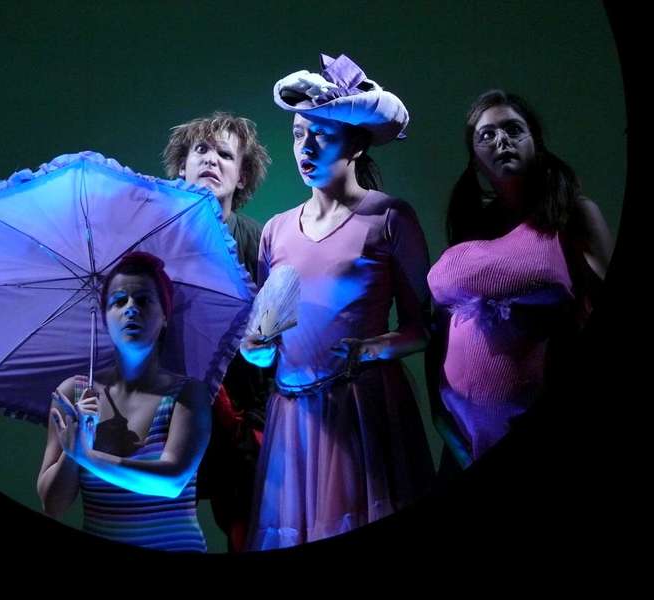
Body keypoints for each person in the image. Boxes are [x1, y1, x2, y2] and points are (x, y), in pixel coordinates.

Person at [241, 54, 435, 550]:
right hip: (295, 420)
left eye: (321, 135)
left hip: (361, 409)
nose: (305, 147)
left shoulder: (388, 217)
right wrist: (256, 349)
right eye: (298, 134)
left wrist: (372, 349)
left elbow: (425, 326)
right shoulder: (276, 230)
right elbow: (267, 337)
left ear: (355, 144)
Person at [426, 89, 614, 474]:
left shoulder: (572, 214)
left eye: (513, 129)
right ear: (475, 160)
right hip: (462, 437)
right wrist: (439, 414)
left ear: (536, 143)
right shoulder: (473, 226)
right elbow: (443, 323)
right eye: (487, 134)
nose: (502, 140)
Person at [37, 251, 212, 552]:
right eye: (118, 301)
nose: (131, 309)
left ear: (165, 316)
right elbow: (52, 505)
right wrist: (73, 449)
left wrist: (87, 457)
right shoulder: (73, 394)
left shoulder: (188, 394)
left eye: (143, 300)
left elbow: (172, 482)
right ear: (104, 317)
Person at [162, 112, 273, 552]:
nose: (211, 160)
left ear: (242, 175)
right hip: (169, 410)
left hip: (242, 416)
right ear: (182, 166)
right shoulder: (155, 237)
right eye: (201, 150)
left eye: (225, 154)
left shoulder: (260, 242)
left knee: (248, 531)